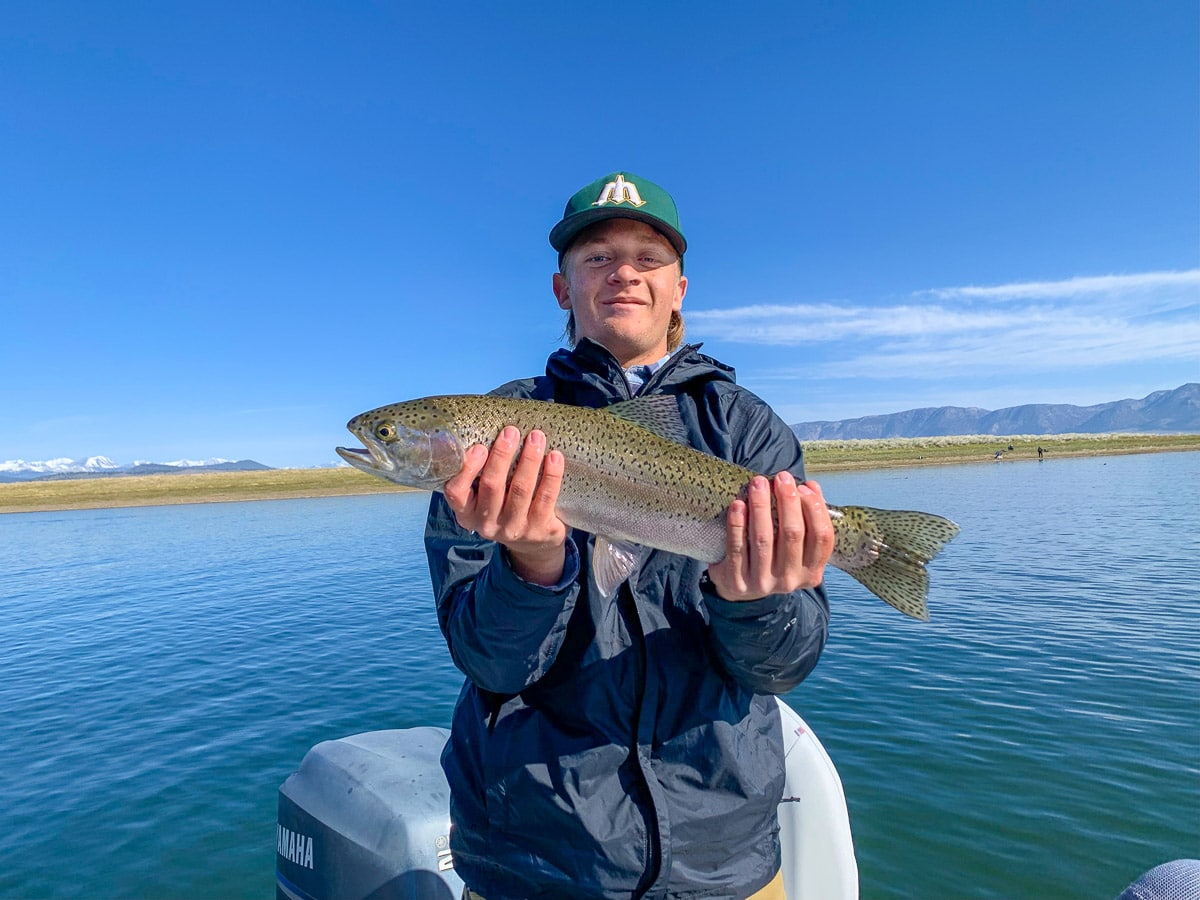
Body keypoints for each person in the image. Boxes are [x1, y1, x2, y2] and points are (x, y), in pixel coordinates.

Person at [424, 172, 835, 899]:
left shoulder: (747, 430)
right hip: (536, 864)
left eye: (647, 258)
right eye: (598, 257)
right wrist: (532, 565)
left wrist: (754, 600)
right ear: (562, 289)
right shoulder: (496, 436)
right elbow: (490, 665)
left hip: (726, 860)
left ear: (679, 288)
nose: (624, 274)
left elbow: (782, 668)